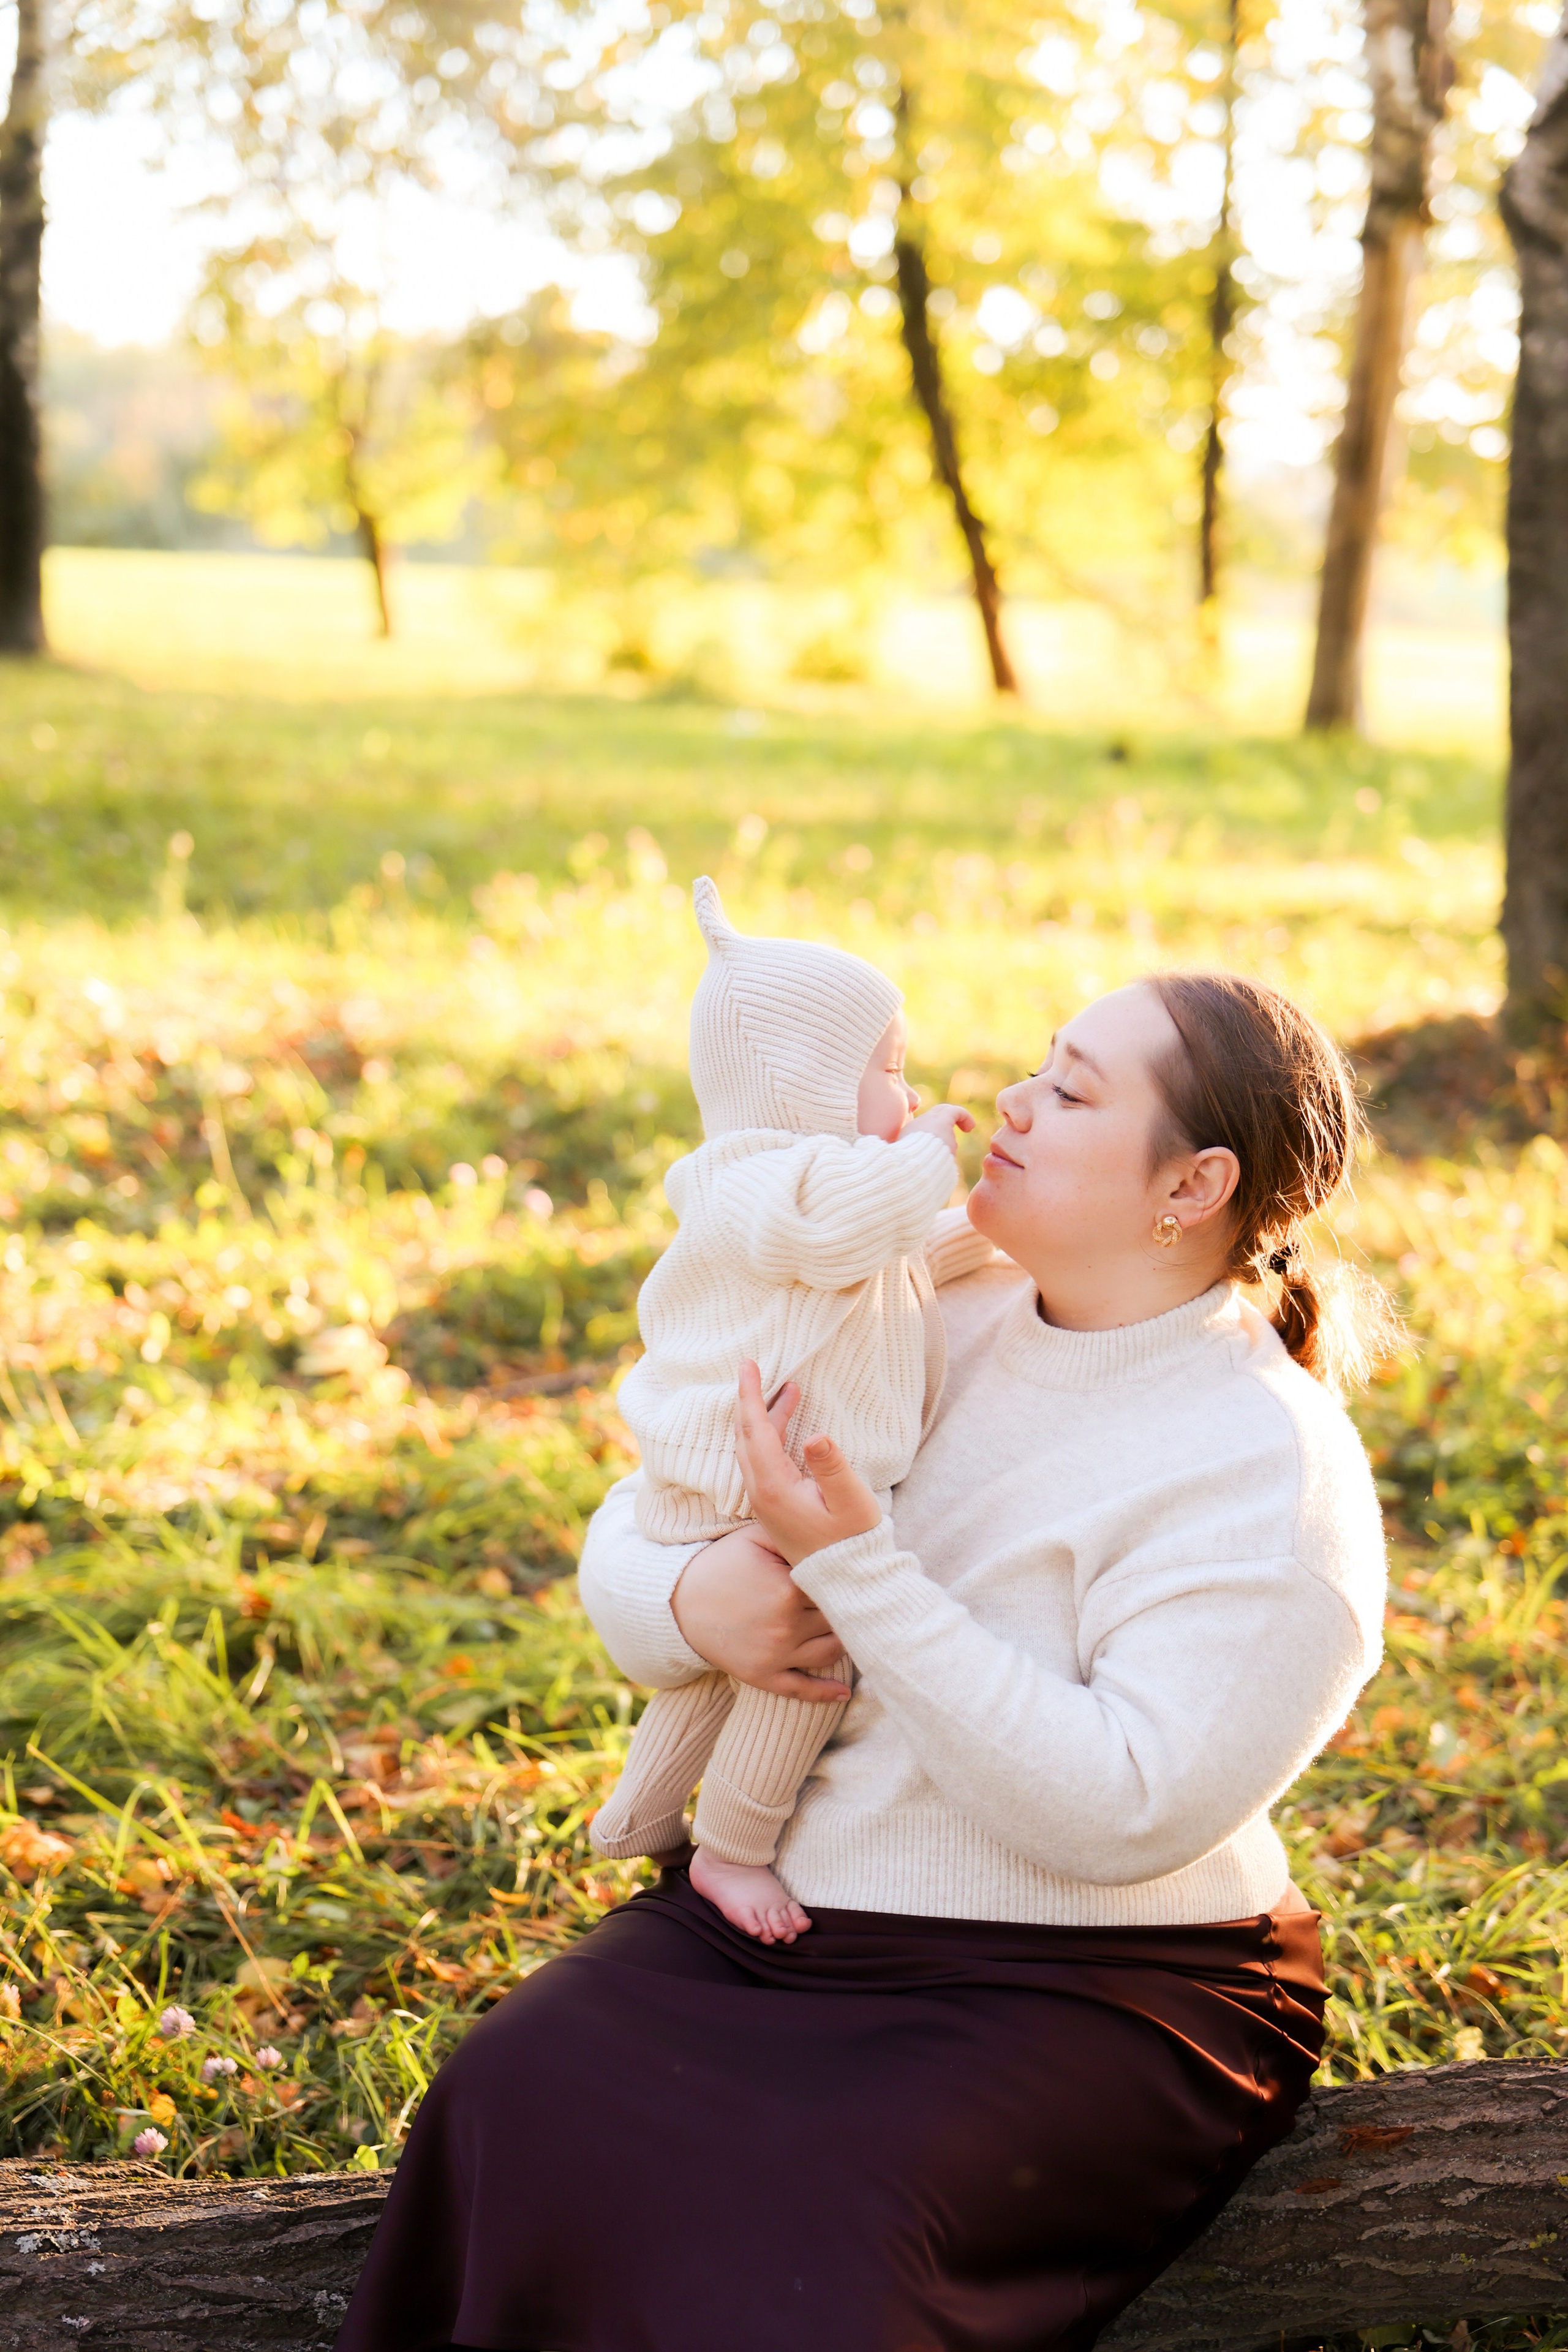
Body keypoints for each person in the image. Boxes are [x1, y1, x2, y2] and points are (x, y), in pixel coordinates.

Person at [335, 968, 1390, 2352]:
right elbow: (661, 1501)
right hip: (788, 1915)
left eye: (1072, 1092)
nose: (1011, 1100)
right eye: (1039, 1065)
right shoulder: (922, 1287)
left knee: (811, 2247)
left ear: (1192, 1186)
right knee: (514, 2089)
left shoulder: (1269, 1472)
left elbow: (1122, 1810)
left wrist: (856, 1571)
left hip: (1096, 1979)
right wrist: (692, 1599)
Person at [590, 876, 976, 1942]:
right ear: (806, 1085)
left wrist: (992, 1232)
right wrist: (926, 1153)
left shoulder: (822, 1199)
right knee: (808, 1662)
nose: (908, 1093)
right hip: (739, 1471)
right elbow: (858, 1228)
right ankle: (735, 1846)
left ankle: (641, 1810)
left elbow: (898, 1262)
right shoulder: (768, 1184)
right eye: (889, 1071)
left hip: (754, 1476)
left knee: (739, 1657)